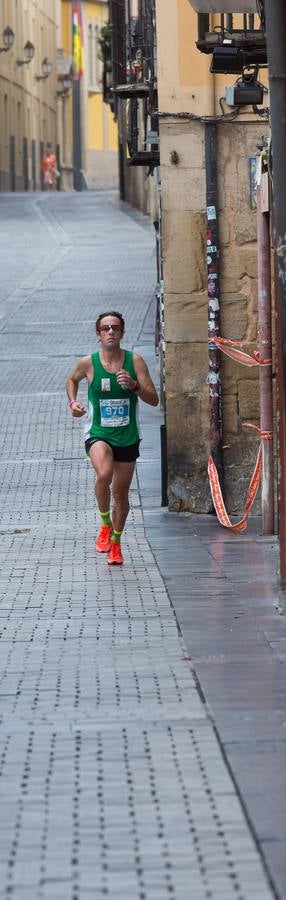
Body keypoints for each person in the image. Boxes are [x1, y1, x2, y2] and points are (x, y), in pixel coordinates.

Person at [66, 311, 159, 565]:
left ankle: (116, 543)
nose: (110, 332)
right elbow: (72, 379)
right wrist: (74, 403)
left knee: (121, 495)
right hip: (98, 433)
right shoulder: (89, 363)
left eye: (115, 328)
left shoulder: (135, 361)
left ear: (122, 332)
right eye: (105, 328)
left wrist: (134, 386)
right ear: (98, 334)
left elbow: (154, 399)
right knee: (104, 473)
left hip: (127, 437)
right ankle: (105, 522)